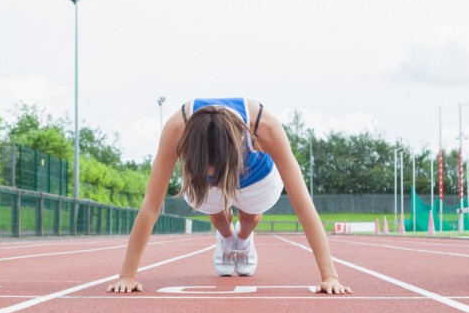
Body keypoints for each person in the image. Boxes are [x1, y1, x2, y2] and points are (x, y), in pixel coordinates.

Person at [107, 98, 350, 294]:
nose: (217, 177)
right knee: (217, 215)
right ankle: (226, 237)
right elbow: (151, 206)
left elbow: (304, 205)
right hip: (201, 176)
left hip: (256, 175)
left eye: (217, 170)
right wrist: (127, 275)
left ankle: (243, 240)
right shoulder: (176, 128)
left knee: (251, 217)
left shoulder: (265, 126)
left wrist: (330, 276)